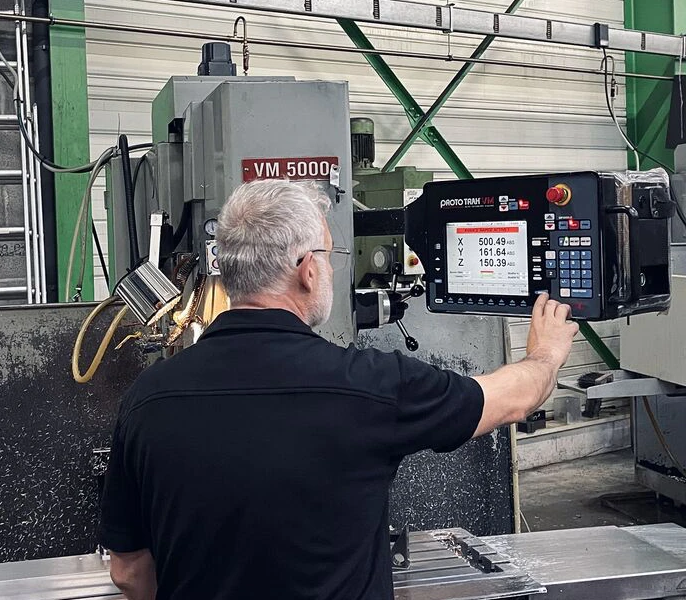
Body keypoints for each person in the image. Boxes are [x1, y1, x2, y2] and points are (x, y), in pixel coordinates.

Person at [99, 179, 578, 600]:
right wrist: (546, 353)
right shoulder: (370, 385)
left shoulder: (148, 398)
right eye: (329, 255)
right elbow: (511, 398)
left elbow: (129, 570)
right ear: (308, 270)